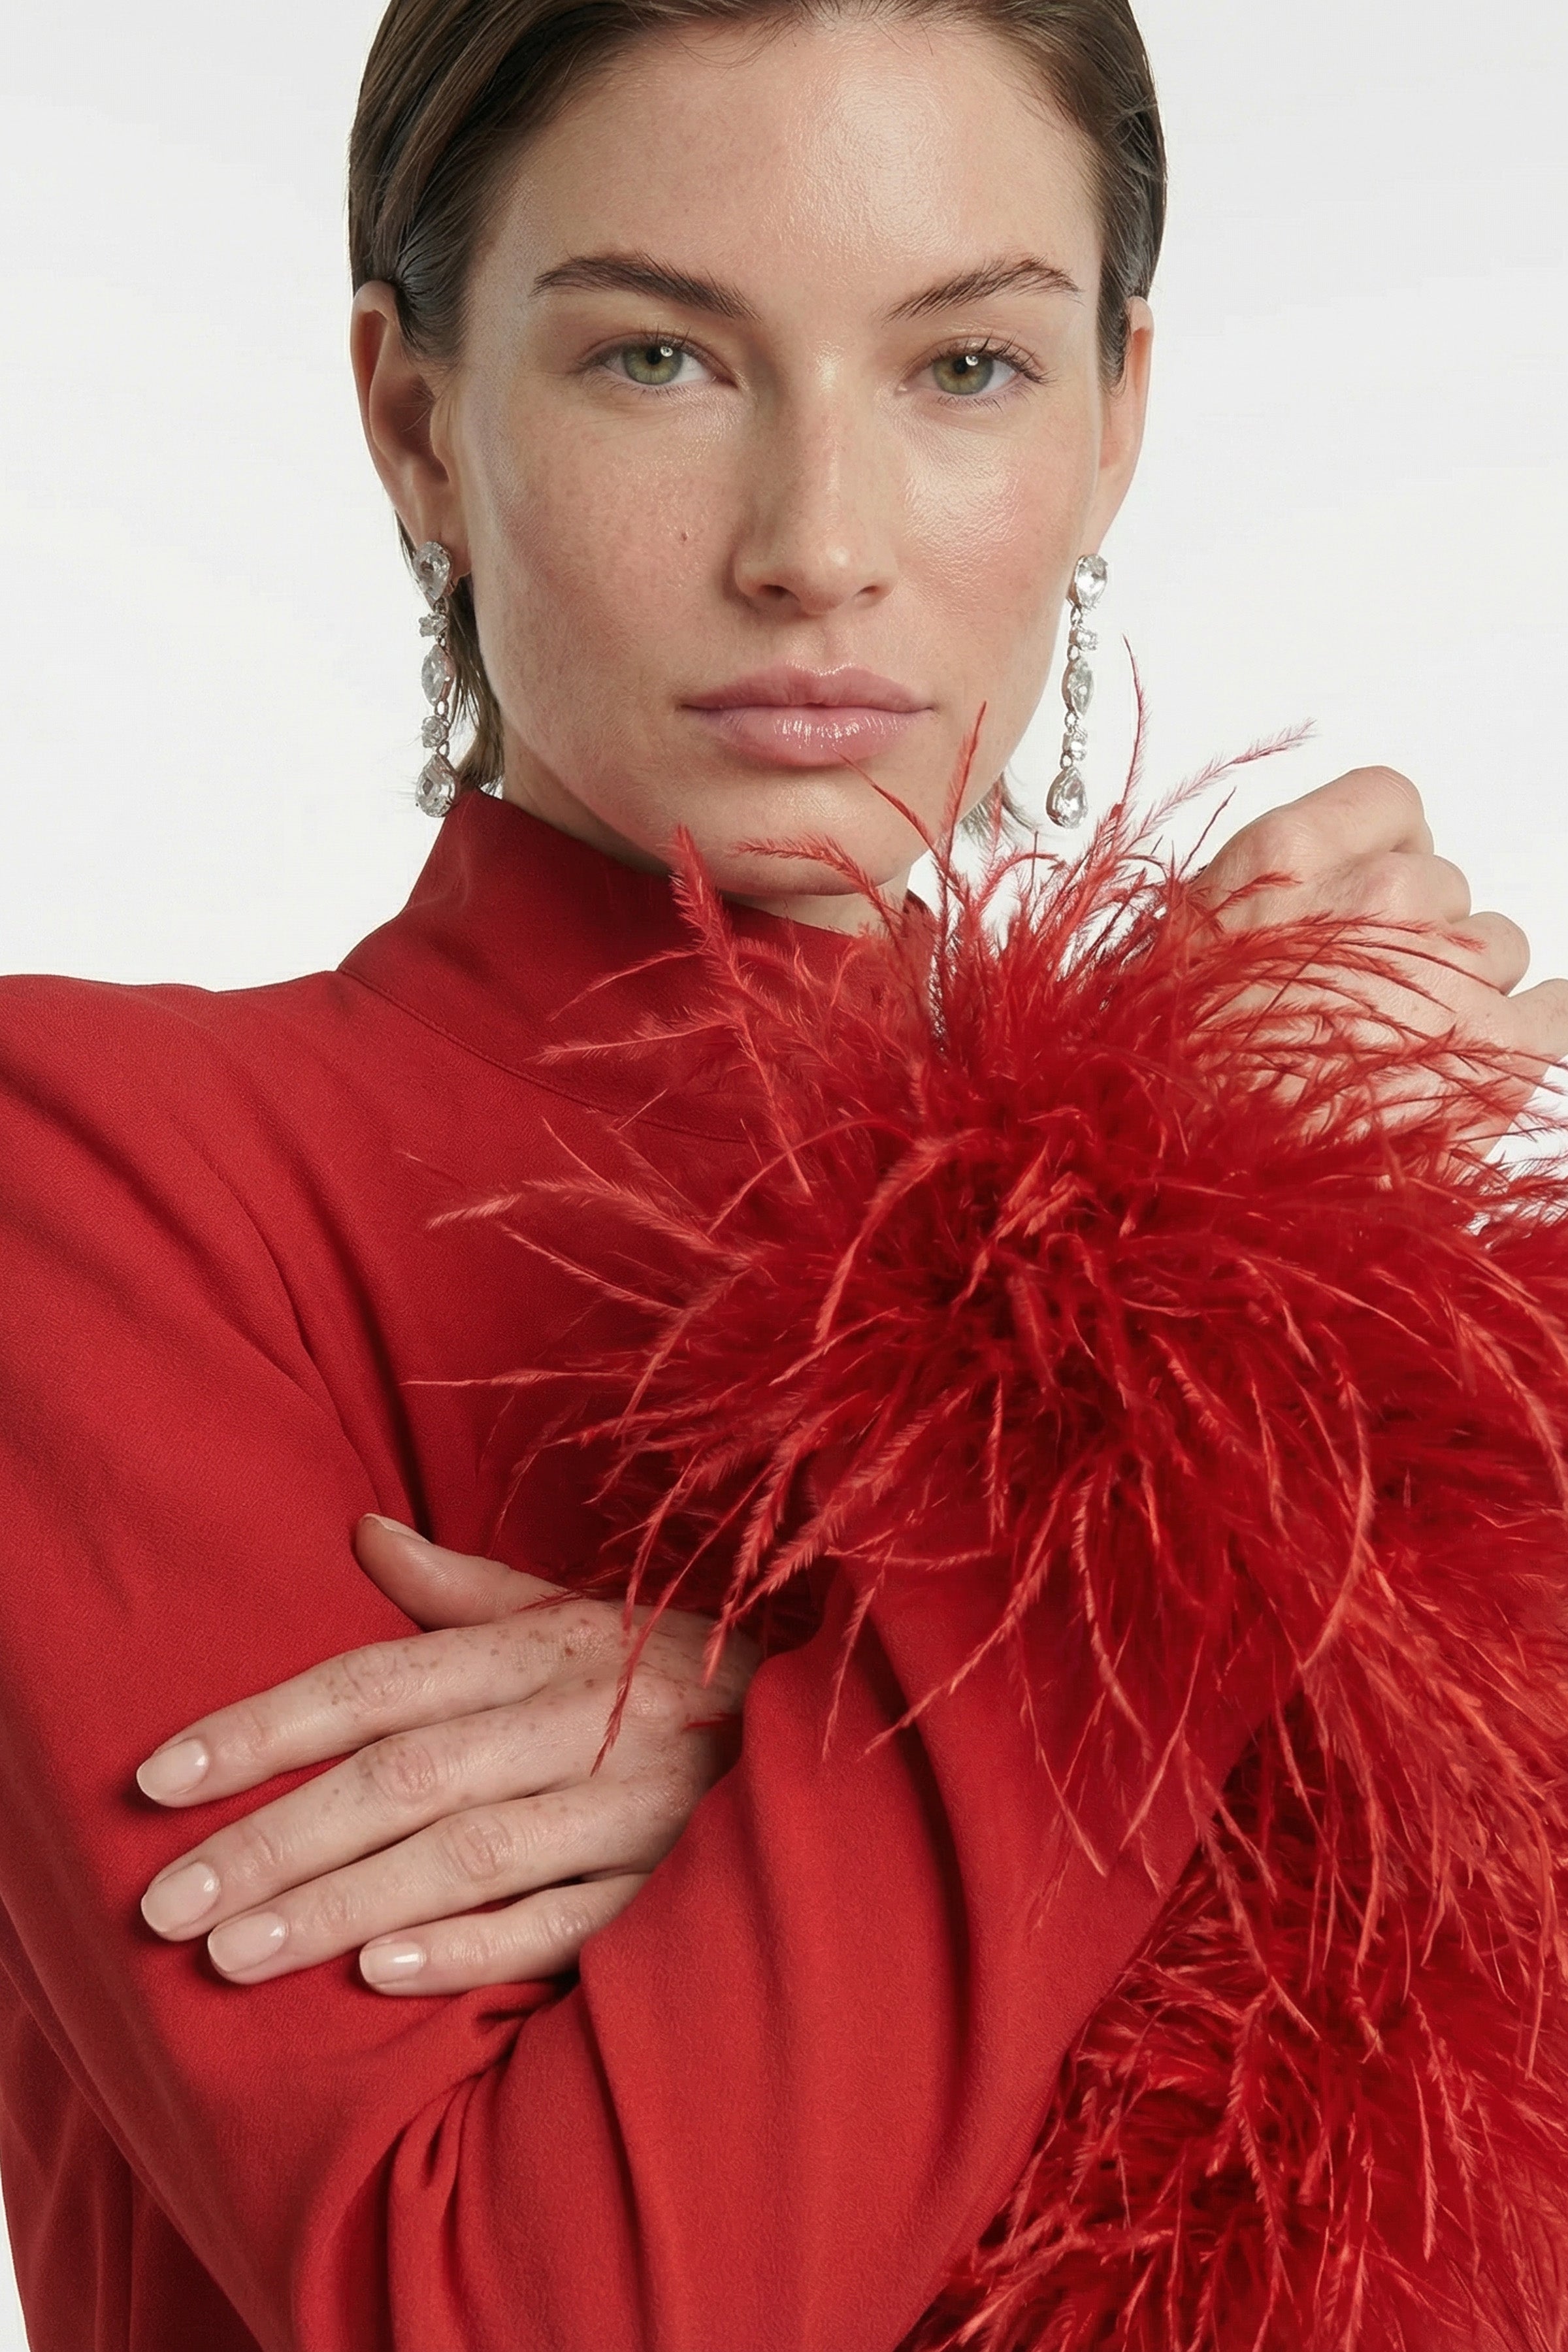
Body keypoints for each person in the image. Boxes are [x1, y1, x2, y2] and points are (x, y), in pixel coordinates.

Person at [1, 2, 1566, 2348]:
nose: (816, 549)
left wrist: (776, 1745)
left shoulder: (1361, 1253)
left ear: (1119, 416)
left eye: (966, 370)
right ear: (419, 422)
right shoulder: (93, 1169)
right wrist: (1213, 1287)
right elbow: (514, 2314)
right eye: (658, 359)